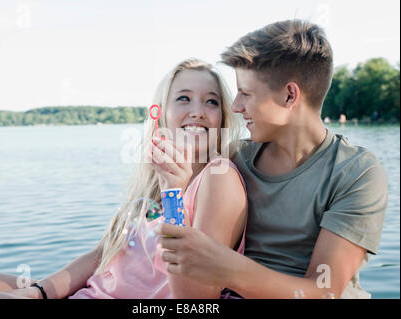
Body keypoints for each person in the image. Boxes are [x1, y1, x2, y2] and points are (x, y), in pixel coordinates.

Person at [0, 58, 248, 299]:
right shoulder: (153, 183)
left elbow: (196, 301)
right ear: (161, 115)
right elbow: (100, 256)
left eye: (211, 102)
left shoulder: (218, 178)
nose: (197, 112)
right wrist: (37, 293)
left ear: (222, 116)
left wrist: (174, 195)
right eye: (184, 98)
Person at [155, 20, 388, 299]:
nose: (235, 106)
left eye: (246, 93)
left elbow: (323, 292)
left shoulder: (356, 172)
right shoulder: (231, 159)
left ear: (289, 96)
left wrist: (228, 268)